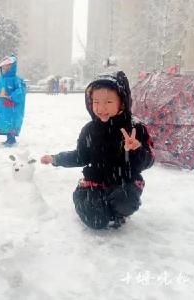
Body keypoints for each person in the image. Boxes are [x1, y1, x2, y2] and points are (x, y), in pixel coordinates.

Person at [41, 71, 154, 229]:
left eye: (108, 102)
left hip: (124, 182)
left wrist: (136, 149)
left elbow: (148, 162)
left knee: (124, 201)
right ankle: (85, 198)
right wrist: (56, 159)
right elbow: (81, 157)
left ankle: (116, 213)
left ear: (122, 101)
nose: (101, 108)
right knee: (96, 220)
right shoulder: (90, 130)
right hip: (95, 182)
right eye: (96, 102)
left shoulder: (136, 128)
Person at [0, 55, 26, 146]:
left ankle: (11, 139)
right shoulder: (0, 79)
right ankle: (8, 138)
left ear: (12, 66)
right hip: (1, 105)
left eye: (7, 66)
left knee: (11, 121)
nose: (5, 67)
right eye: (3, 66)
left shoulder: (16, 79)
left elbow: (20, 91)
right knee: (4, 121)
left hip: (11, 105)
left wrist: (11, 96)